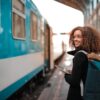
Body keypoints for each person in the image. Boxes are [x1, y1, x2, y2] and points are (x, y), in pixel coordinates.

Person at [64, 26, 100, 100]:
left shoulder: (79, 55)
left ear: (87, 39)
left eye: (79, 37)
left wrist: (66, 75)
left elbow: (74, 82)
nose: (75, 39)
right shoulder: (91, 54)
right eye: (74, 37)